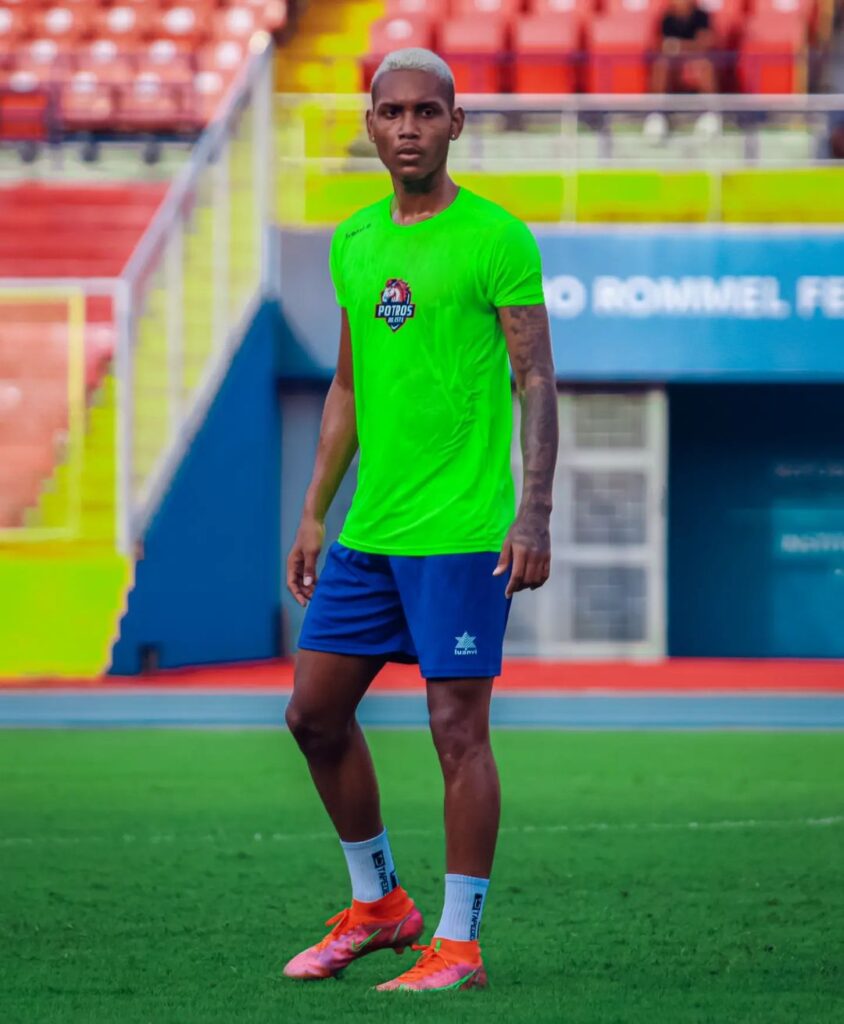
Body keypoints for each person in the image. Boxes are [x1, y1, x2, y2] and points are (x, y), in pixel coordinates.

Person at [281, 48, 558, 993]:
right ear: (370, 124)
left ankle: (460, 945)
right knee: (313, 716)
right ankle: (379, 907)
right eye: (392, 112)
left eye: (427, 112)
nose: (408, 128)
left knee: (456, 732)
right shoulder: (354, 241)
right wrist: (314, 511)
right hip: (371, 533)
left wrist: (534, 512)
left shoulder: (497, 239)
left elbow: (535, 378)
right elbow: (349, 385)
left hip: (462, 534)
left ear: (456, 123)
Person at [651, 0, 717, 94]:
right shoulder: (668, 17)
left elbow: (704, 43)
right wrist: (678, 47)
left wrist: (678, 46)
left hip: (696, 56)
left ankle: (710, 102)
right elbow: (663, 45)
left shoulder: (701, 16)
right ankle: (657, 102)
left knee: (705, 66)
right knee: (661, 64)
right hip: (674, 57)